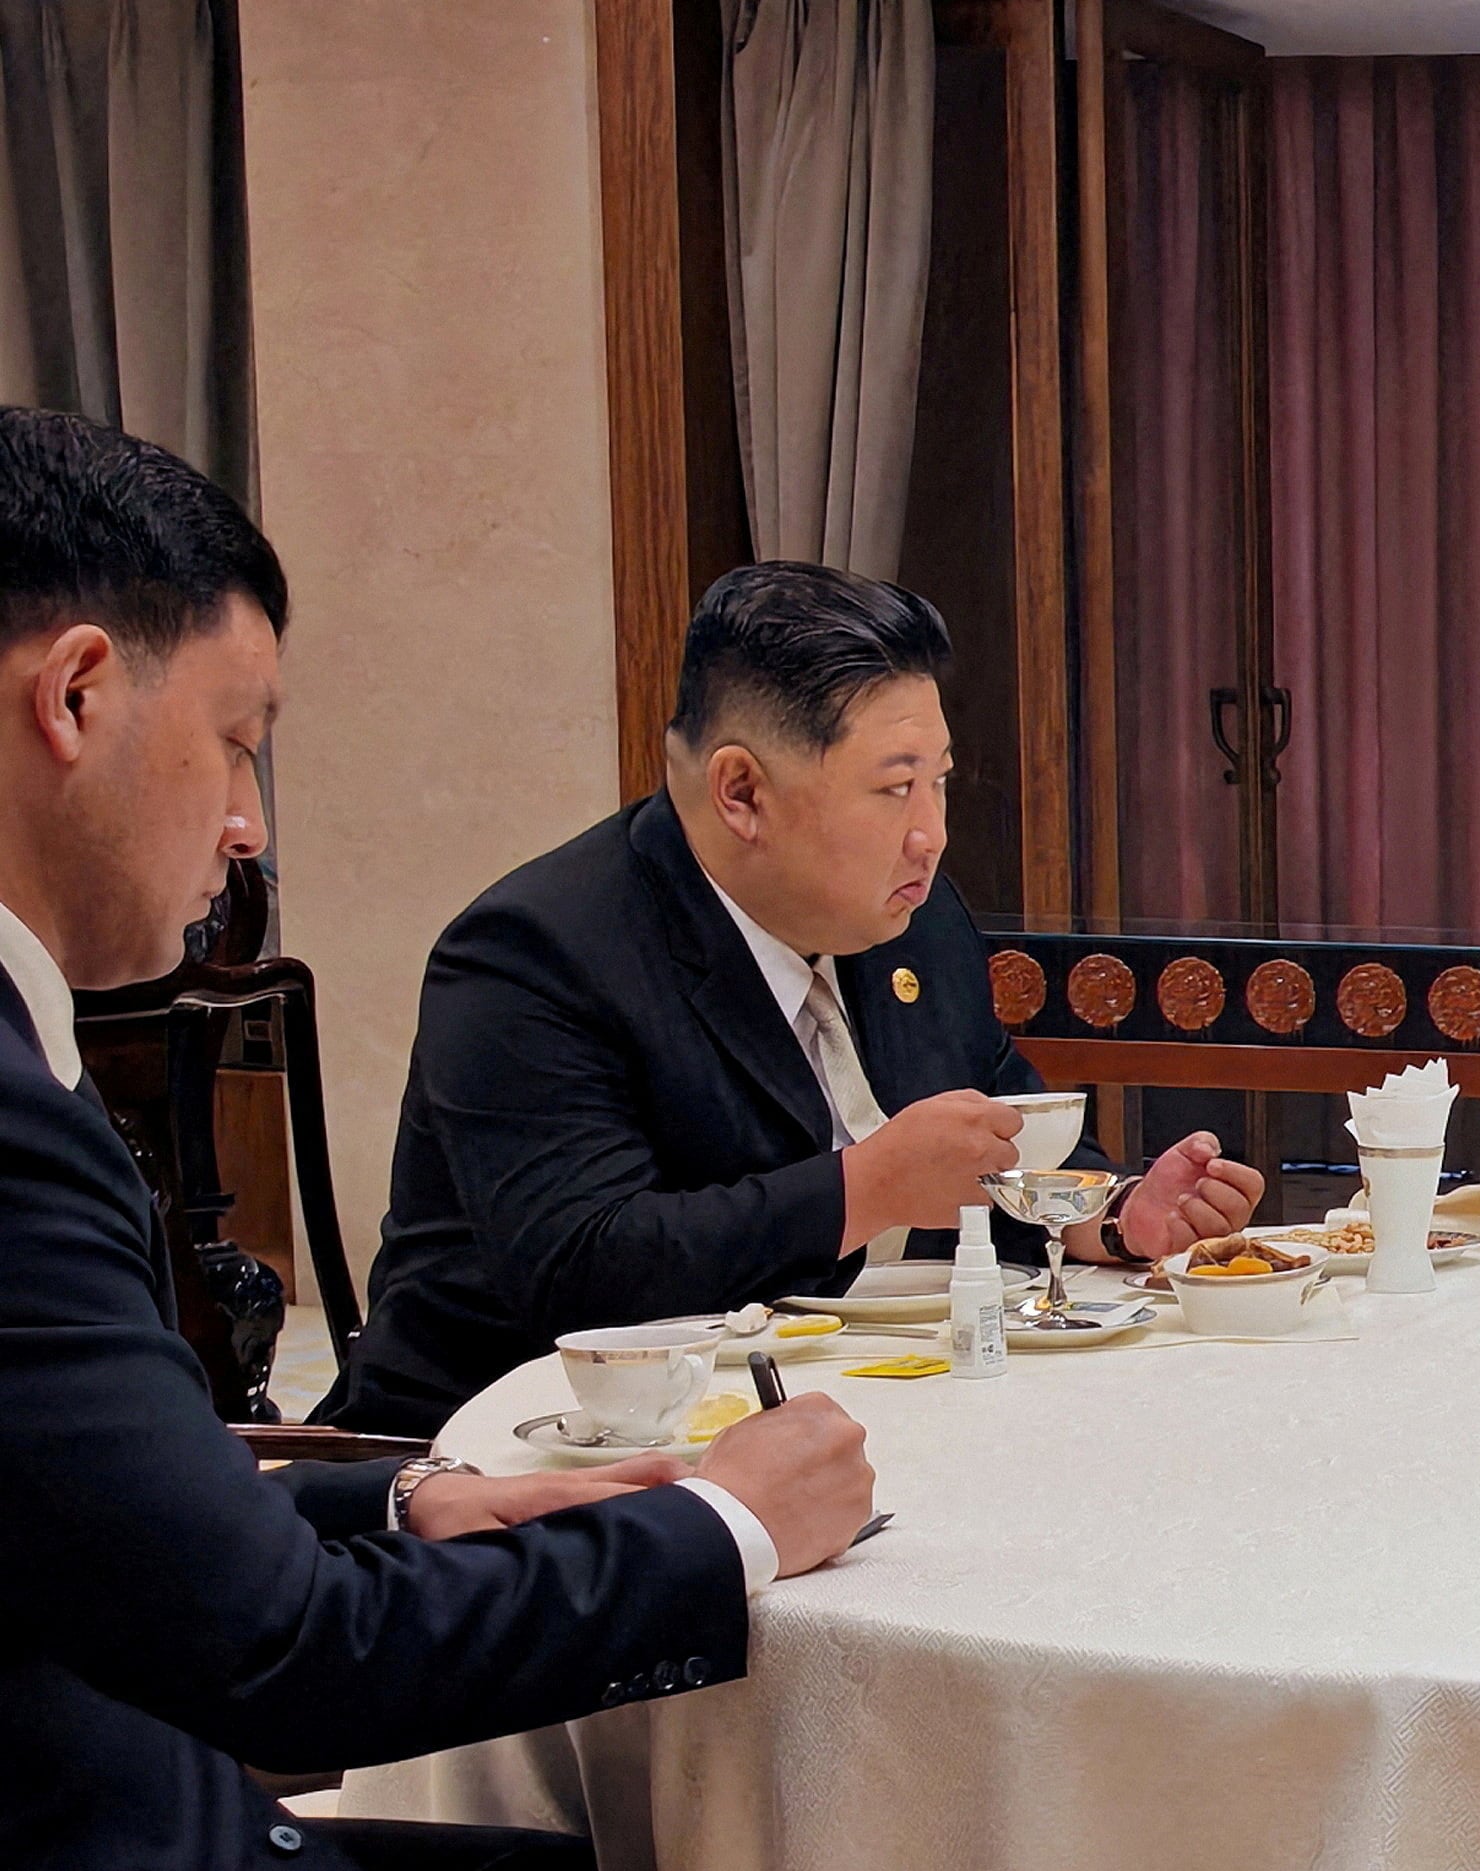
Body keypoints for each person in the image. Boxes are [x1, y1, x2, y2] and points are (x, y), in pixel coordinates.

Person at [0, 406, 878, 1871]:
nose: (248, 822)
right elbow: (284, 1660)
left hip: (75, 1820)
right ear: (77, 694)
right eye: (239, 741)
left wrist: (405, 1488)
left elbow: (85, 1490)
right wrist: (721, 1526)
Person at [322, 562, 1262, 1435]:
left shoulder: (915, 920)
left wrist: (1110, 1216)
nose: (931, 835)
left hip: (844, 1402)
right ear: (741, 792)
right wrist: (867, 1188)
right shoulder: (535, 952)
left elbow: (997, 1121)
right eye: (895, 789)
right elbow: (583, 1270)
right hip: (507, 1452)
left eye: (938, 783)